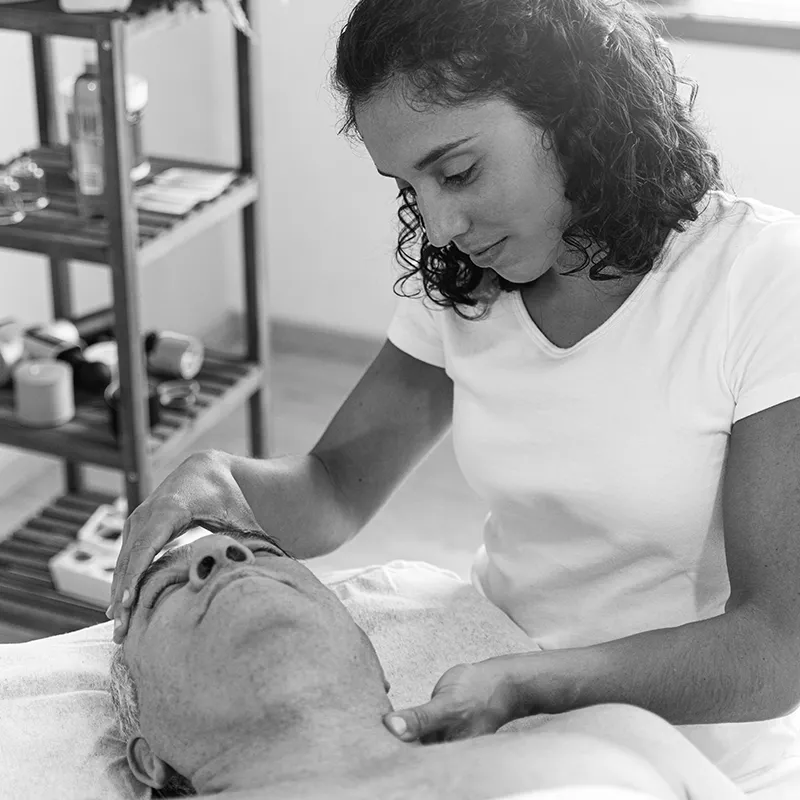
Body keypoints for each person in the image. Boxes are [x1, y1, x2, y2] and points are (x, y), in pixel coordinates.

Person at [109, 0, 800, 793]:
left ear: (575, 108)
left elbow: (776, 648)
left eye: (459, 171)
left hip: (693, 745)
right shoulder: (470, 287)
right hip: (483, 693)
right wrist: (225, 481)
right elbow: (335, 487)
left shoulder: (763, 282)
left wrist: (529, 686)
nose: (438, 225)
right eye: (409, 186)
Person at [111, 527, 745, 799]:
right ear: (148, 756)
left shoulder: (622, 737)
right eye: (166, 589)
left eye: (263, 553)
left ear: (372, 659)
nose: (226, 557)